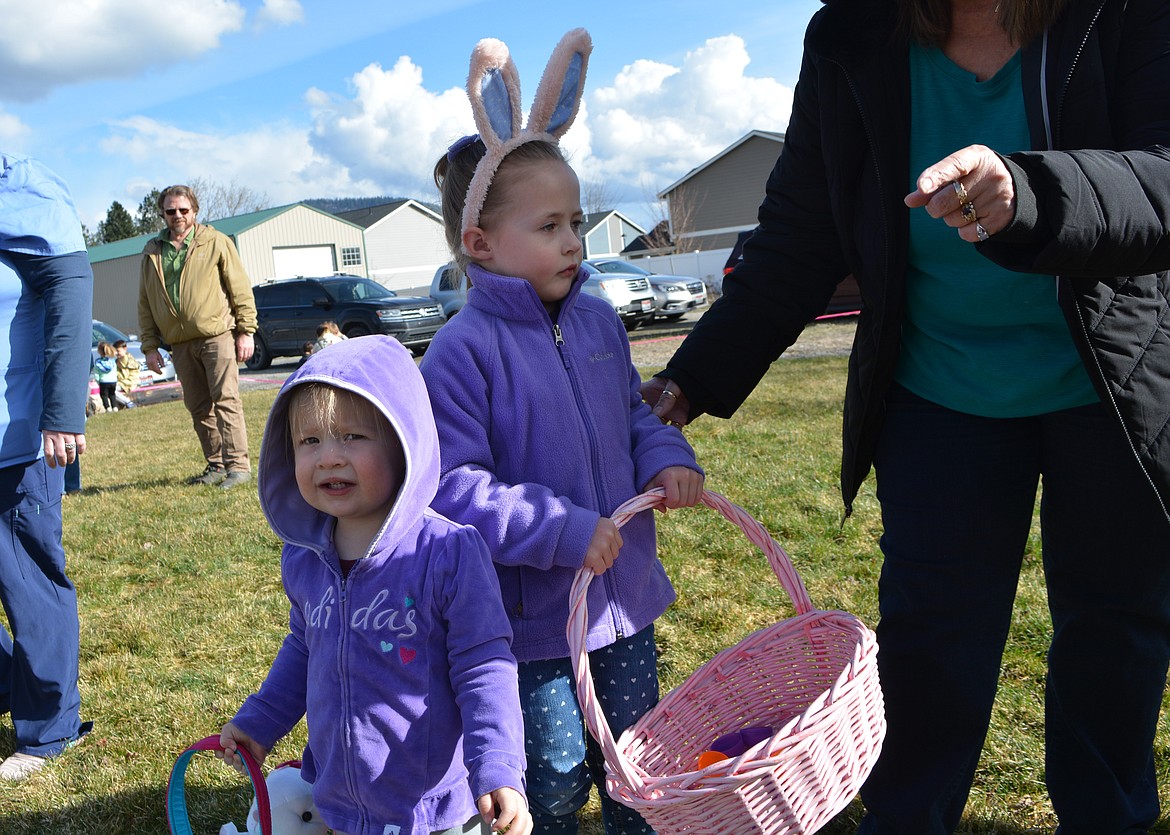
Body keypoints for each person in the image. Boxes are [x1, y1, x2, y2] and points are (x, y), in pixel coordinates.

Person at [643, 1, 1170, 832]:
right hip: (938, 394)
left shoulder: (1124, 13)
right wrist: (691, 377)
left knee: (1115, 642)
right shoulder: (852, 33)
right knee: (930, 651)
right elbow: (800, 234)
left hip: (1112, 388)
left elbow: (1161, 179)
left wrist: (1027, 189)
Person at [421, 29, 704, 835]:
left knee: (634, 757)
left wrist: (670, 460)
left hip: (625, 600)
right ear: (481, 243)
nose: (575, 241)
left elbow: (628, 415)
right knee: (548, 775)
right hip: (532, 621)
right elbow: (454, 489)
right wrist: (560, 531)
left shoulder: (596, 319)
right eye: (549, 226)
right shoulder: (462, 351)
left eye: (575, 220)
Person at [218, 335, 531, 835]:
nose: (329, 458)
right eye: (310, 441)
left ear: (403, 442)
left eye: (353, 437)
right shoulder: (305, 557)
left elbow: (484, 666)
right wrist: (260, 722)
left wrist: (497, 765)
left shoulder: (445, 552)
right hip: (340, 796)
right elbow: (304, 648)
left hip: (430, 809)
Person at [0, 151, 93, 780]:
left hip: (13, 436)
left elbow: (70, 287)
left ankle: (50, 727)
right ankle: (15, 685)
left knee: (27, 580)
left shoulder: (22, 191)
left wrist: (62, 410)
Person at [138, 184, 257, 489]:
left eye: (183, 210)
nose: (177, 215)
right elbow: (145, 302)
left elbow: (240, 289)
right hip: (179, 343)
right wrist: (150, 346)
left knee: (226, 400)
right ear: (162, 214)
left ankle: (238, 467)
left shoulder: (215, 242)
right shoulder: (152, 251)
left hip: (217, 335)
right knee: (198, 407)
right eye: (170, 211)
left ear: (195, 210)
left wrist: (246, 331)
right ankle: (216, 465)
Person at [93, 340, 118, 413]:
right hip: (113, 381)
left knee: (104, 395)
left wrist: (98, 381)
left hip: (103, 381)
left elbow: (97, 373)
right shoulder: (113, 361)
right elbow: (115, 371)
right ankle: (115, 407)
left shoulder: (98, 362)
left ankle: (107, 408)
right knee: (112, 394)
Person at [113, 339, 140, 406]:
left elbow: (125, 365)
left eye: (118, 351)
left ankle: (129, 403)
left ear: (125, 349)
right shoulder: (118, 360)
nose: (116, 353)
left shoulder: (128, 359)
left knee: (111, 390)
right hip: (122, 382)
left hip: (129, 382)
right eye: (115, 351)